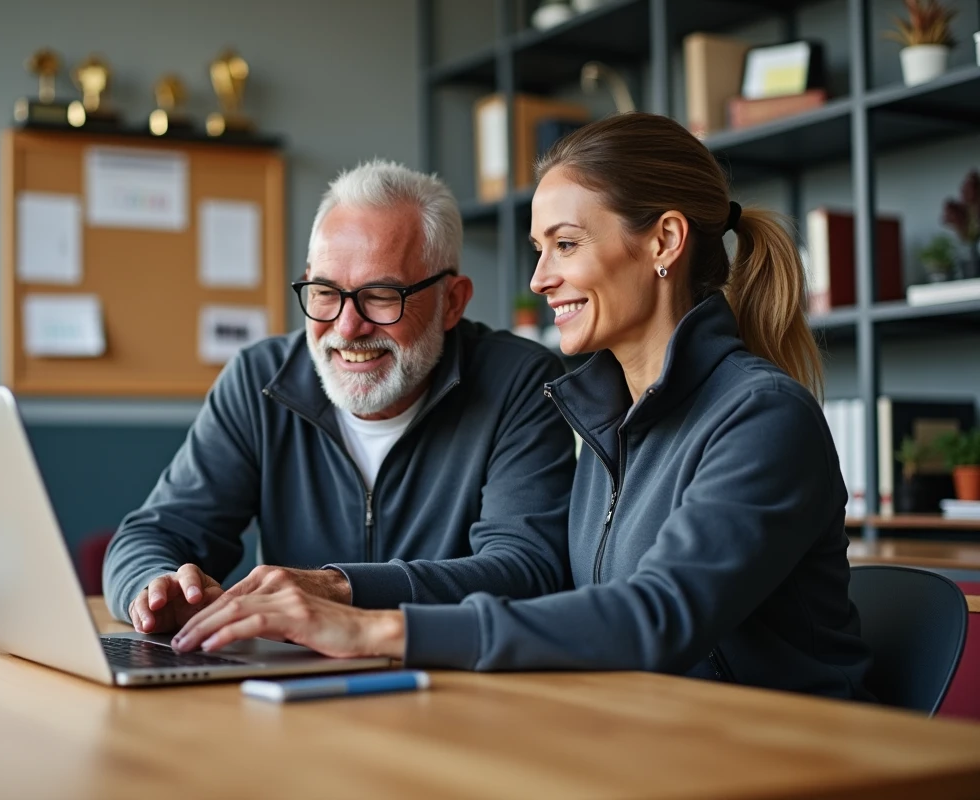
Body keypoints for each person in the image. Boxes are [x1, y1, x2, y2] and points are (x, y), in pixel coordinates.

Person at [172, 114, 873, 700]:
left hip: (788, 757)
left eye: (565, 245)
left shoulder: (761, 417)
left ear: (663, 241)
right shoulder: (609, 418)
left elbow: (655, 618)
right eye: (539, 249)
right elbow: (573, 603)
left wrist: (371, 627)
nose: (539, 278)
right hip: (652, 738)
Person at [103, 159, 576, 634]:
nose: (348, 327)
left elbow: (527, 569)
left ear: (452, 301)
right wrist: (157, 587)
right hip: (290, 687)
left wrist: (339, 588)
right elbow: (151, 535)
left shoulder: (520, 382)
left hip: (451, 681)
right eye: (325, 292)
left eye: (382, 295)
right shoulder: (259, 379)